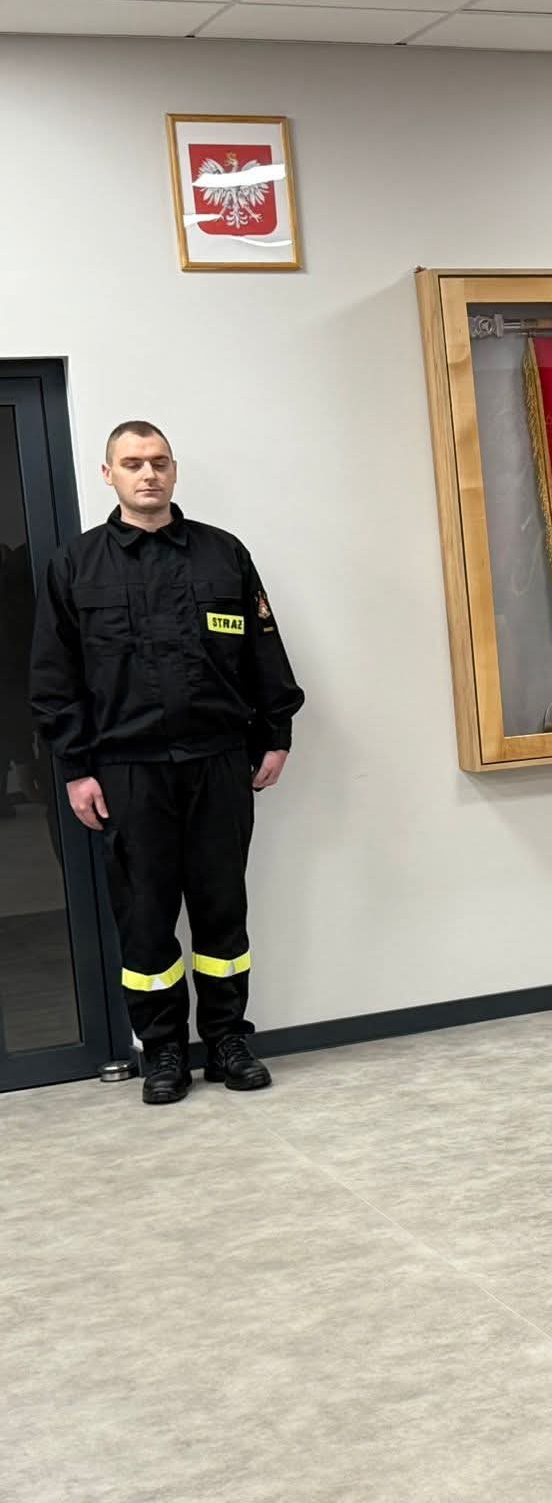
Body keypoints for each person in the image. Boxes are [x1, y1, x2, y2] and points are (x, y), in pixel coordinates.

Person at [29, 421, 303, 1104]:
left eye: (158, 461)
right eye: (132, 463)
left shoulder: (223, 554)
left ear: (174, 470)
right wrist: (76, 768)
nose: (147, 474)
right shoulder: (76, 565)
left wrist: (276, 732)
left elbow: (263, 647)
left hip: (218, 761)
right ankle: (163, 1052)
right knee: (145, 916)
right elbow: (54, 677)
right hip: (128, 769)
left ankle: (228, 1041)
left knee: (222, 909)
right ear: (109, 474)